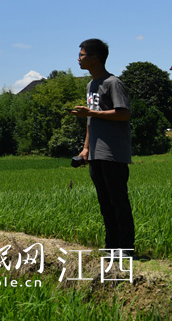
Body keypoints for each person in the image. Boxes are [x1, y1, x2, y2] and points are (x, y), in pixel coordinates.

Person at [70, 38, 134, 254]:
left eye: (82, 54)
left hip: (113, 152)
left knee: (118, 201)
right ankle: (111, 247)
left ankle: (126, 248)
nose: (78, 58)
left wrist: (92, 113)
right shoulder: (91, 85)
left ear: (94, 58)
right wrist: (86, 148)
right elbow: (92, 120)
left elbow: (123, 114)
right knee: (104, 203)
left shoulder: (112, 83)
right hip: (96, 152)